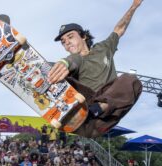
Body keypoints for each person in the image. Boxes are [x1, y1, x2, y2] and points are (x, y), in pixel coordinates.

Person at [47, 0, 144, 138]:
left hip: (102, 118)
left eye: (70, 37)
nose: (66, 42)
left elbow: (119, 29)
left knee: (131, 80)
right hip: (82, 114)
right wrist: (63, 64)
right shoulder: (73, 60)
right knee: (65, 67)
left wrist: (134, 6)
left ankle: (100, 107)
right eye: (63, 42)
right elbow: (73, 61)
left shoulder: (103, 48)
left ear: (83, 36)